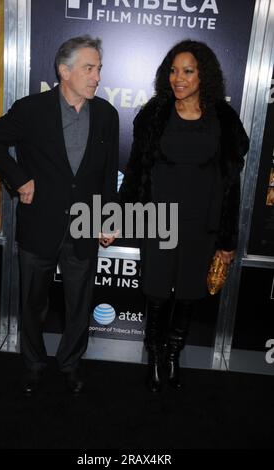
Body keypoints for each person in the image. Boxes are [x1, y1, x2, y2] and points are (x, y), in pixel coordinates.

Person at [0, 36, 119, 395]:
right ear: (64, 71)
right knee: (32, 304)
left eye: (99, 68)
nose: (97, 76)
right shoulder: (31, 109)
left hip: (85, 226)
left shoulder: (107, 114)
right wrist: (19, 178)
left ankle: (70, 364)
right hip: (39, 225)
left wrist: (110, 218)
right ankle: (33, 364)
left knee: (79, 304)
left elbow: (108, 173)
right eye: (89, 68)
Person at [119, 40, 249, 393]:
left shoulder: (223, 119)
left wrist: (226, 239)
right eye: (173, 71)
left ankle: (174, 353)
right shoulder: (154, 114)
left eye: (187, 71)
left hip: (201, 224)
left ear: (202, 74)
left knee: (189, 292)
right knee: (157, 292)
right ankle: (155, 356)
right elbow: (135, 172)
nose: (179, 78)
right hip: (157, 220)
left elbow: (230, 185)